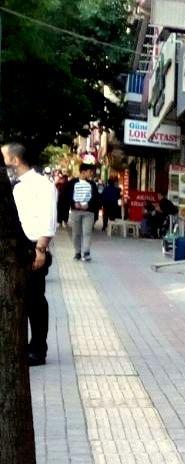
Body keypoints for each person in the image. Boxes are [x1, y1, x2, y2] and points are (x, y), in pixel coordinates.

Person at [5, 144, 56, 365]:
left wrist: (41, 249)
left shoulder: (42, 184)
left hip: (33, 247)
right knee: (17, 299)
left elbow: (49, 218)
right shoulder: (13, 184)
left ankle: (38, 349)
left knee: (35, 301)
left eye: (4, 156)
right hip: (13, 247)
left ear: (15, 160)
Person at [66, 162, 101, 261]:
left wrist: (88, 205)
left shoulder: (92, 184)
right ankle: (77, 252)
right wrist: (74, 203)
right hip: (75, 211)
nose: (91, 174)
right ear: (83, 172)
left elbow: (96, 198)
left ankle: (86, 252)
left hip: (88, 212)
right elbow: (67, 195)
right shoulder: (72, 183)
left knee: (87, 232)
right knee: (76, 233)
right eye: (90, 172)